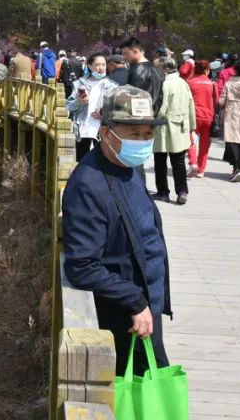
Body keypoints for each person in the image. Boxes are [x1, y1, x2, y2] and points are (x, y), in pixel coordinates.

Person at [61, 85, 172, 378]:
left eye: (148, 134)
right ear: (107, 134)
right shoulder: (88, 185)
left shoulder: (129, 167)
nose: (143, 141)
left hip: (146, 307)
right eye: (134, 134)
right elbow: (82, 265)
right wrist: (133, 300)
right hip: (123, 317)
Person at [152, 57, 196, 205]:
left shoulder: (165, 84)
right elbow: (191, 105)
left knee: (160, 161)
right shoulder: (183, 83)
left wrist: (152, 120)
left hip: (164, 126)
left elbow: (162, 108)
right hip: (180, 126)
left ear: (164, 69)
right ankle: (182, 191)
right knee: (178, 162)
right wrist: (191, 125)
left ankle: (163, 192)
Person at [66, 53, 113, 161]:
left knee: (102, 163)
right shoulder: (79, 84)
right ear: (90, 66)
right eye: (97, 65)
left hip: (102, 130)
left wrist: (103, 113)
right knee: (81, 161)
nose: (101, 68)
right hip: (83, 129)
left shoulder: (112, 86)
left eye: (103, 64)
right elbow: (68, 106)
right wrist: (79, 102)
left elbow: (117, 110)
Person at [186, 59, 217, 177]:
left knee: (190, 141)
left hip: (194, 116)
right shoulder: (213, 84)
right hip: (208, 117)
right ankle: (201, 169)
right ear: (207, 69)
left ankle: (193, 162)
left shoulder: (189, 82)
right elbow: (216, 101)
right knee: (204, 145)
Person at [120, 37, 165, 110]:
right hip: (154, 115)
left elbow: (131, 97)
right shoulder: (158, 70)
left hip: (139, 115)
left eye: (126, 53)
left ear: (136, 51)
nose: (124, 57)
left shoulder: (136, 71)